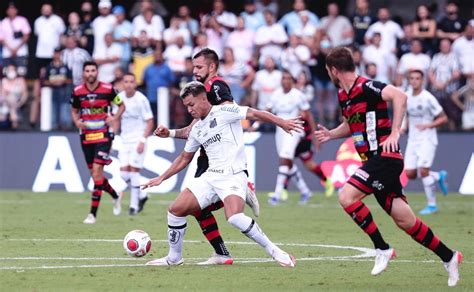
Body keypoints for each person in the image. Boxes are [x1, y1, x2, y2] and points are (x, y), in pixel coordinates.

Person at [315, 47, 462, 286]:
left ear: (333, 70)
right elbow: (351, 124)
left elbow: (400, 96)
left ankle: (382, 248)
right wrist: (331, 134)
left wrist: (395, 132)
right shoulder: (344, 94)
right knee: (406, 221)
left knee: (346, 197)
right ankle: (450, 256)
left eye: (328, 72)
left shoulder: (367, 86)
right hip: (373, 162)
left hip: (385, 158)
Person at [142, 81, 301, 267]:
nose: (189, 110)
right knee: (175, 210)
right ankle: (174, 258)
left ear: (203, 98)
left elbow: (254, 113)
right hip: (211, 176)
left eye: (191, 104)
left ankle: (275, 251)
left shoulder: (225, 111)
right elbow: (184, 158)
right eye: (186, 107)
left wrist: (281, 122)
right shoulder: (197, 129)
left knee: (234, 217)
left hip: (233, 174)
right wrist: (161, 178)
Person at [154, 48, 260, 265]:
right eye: (193, 66)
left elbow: (229, 115)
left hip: (217, 161)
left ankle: (241, 186)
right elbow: (192, 131)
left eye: (199, 67)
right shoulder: (202, 92)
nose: (194, 71)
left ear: (212, 67)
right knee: (197, 210)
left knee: (192, 208)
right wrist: (170, 134)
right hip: (207, 157)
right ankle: (221, 254)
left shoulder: (217, 86)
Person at [70, 61, 125, 224]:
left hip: (103, 135)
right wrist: (76, 122)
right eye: (87, 71)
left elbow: (121, 105)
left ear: (97, 72)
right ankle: (115, 195)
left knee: (96, 172)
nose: (90, 73)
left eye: (93, 70)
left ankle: (92, 214)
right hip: (86, 136)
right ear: (83, 74)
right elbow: (74, 110)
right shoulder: (77, 91)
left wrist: (114, 118)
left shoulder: (108, 89)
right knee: (96, 176)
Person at [262, 70, 316, 205]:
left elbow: (308, 114)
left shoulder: (298, 95)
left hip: (294, 130)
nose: (285, 81)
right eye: (283, 78)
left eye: (288, 78)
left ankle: (277, 195)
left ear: (292, 81)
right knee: (288, 163)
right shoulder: (276, 94)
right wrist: (256, 124)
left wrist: (314, 134)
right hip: (279, 131)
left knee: (284, 158)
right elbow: (266, 111)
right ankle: (305, 191)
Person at [402, 70, 449, 215]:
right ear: (409, 80)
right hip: (413, 139)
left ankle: (432, 205)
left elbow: (443, 118)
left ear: (422, 81)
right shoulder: (406, 96)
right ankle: (438, 176)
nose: (414, 81)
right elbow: (404, 114)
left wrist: (427, 126)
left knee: (423, 170)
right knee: (410, 174)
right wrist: (403, 127)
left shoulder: (428, 98)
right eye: (412, 78)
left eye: (417, 78)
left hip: (427, 138)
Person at [117, 73, 154, 215]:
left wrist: (143, 140)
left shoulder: (141, 99)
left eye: (131, 81)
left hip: (137, 139)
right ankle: (143, 195)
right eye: (125, 81)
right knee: (124, 175)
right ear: (122, 83)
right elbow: (115, 116)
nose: (128, 84)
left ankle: (133, 206)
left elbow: (150, 120)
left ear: (135, 83)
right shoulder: (119, 97)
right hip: (124, 140)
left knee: (134, 172)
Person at [43, 48, 73, 130]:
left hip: (63, 90)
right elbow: (44, 81)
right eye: (56, 54)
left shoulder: (65, 66)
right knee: (53, 106)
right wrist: (53, 83)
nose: (57, 56)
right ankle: (53, 124)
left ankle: (65, 124)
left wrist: (62, 81)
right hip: (52, 90)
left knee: (65, 106)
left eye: (59, 54)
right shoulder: (49, 67)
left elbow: (70, 80)